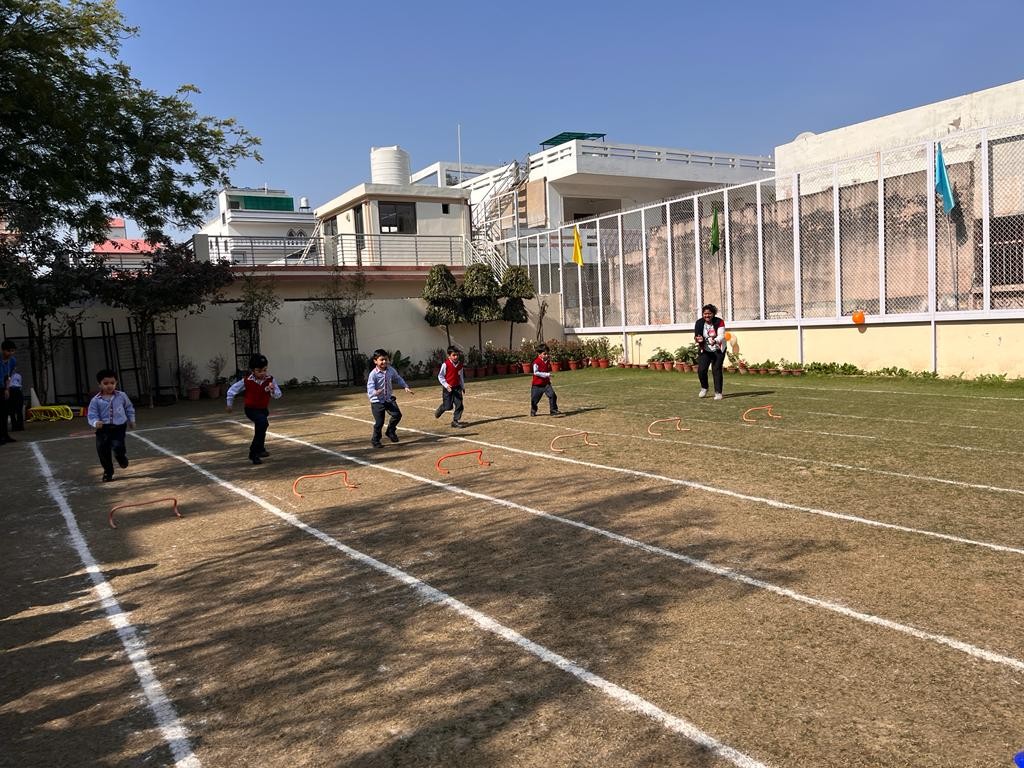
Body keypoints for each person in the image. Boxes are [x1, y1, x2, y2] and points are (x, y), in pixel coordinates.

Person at [225, 353, 282, 465]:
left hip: (263, 409)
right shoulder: (247, 380)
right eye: (259, 371)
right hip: (251, 409)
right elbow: (232, 390)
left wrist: (272, 391)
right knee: (262, 423)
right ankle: (253, 452)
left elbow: (278, 395)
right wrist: (229, 404)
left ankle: (260, 448)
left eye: (264, 370)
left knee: (262, 426)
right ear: (253, 371)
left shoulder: (270, 380)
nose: (262, 373)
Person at [87, 369, 136, 482]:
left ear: (116, 383)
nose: (109, 385)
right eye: (106, 383)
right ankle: (108, 472)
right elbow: (92, 414)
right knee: (102, 451)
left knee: (118, 447)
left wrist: (131, 420)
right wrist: (95, 422)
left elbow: (129, 407)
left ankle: (121, 458)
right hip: (103, 429)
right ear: (99, 384)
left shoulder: (122, 396)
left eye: (112, 383)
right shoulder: (95, 400)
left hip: (119, 427)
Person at [367, 349, 412, 448]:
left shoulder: (391, 370)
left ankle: (390, 431)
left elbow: (398, 378)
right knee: (379, 422)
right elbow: (370, 388)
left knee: (397, 415)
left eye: (386, 359)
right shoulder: (373, 374)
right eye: (381, 360)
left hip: (388, 399)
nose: (384, 362)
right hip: (377, 401)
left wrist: (405, 386)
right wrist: (375, 392)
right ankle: (375, 440)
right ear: (375, 361)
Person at [694, 303, 727, 400]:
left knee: (716, 370)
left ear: (713, 314)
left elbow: (721, 335)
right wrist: (698, 339)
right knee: (701, 370)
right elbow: (697, 336)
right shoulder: (699, 323)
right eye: (705, 314)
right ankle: (704, 388)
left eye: (709, 313)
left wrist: (715, 341)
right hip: (705, 350)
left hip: (718, 349)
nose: (707, 315)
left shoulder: (719, 321)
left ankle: (718, 392)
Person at [434, 346, 466, 428]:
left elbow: (461, 376)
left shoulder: (460, 365)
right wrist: (446, 385)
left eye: (457, 355)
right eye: (454, 355)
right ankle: (441, 408)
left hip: (457, 387)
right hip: (448, 388)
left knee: (459, 404)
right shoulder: (445, 364)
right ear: (449, 356)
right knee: (448, 406)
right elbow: (440, 376)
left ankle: (455, 421)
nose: (456, 357)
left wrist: (462, 386)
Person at [530, 343, 561, 417]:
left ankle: (553, 410)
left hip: (546, 384)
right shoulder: (536, 362)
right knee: (534, 400)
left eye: (547, 354)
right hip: (537, 385)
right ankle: (533, 410)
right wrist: (547, 374)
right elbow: (536, 373)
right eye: (544, 354)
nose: (547, 355)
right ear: (539, 354)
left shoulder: (547, 361)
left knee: (552, 395)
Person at [0, 339, 17, 445]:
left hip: (3, 387)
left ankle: (5, 435)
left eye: (12, 351)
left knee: (5, 412)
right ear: (3, 350)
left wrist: (7, 389)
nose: (10, 353)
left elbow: (8, 376)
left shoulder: (12, 361)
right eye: (8, 351)